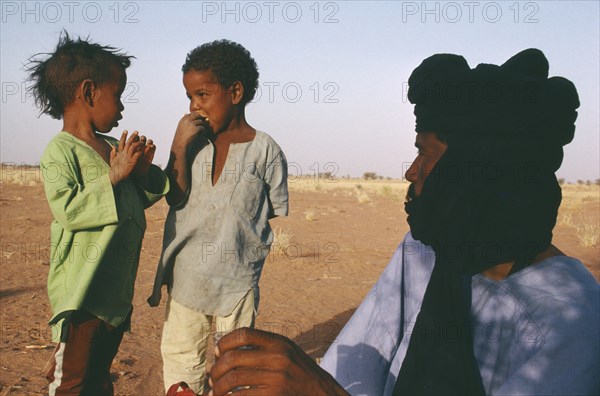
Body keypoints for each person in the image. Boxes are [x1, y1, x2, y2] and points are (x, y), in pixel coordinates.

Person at [206, 49, 599, 395]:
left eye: (424, 154)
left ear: (475, 169)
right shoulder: (424, 252)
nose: (411, 172)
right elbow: (355, 371)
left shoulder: (573, 323)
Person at [28, 32, 169, 395]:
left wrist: (141, 174)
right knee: (71, 383)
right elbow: (70, 210)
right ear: (89, 92)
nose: (122, 107)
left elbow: (139, 199)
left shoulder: (111, 148)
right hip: (83, 296)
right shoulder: (60, 152)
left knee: (97, 380)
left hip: (115, 299)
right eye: (117, 95)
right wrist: (116, 175)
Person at [147, 39, 288, 394]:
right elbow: (175, 198)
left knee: (236, 365)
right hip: (187, 279)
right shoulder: (191, 143)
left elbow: (266, 212)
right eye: (190, 97)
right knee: (182, 363)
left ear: (235, 92)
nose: (195, 105)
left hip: (237, 282)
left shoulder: (266, 150)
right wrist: (178, 145)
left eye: (202, 95)